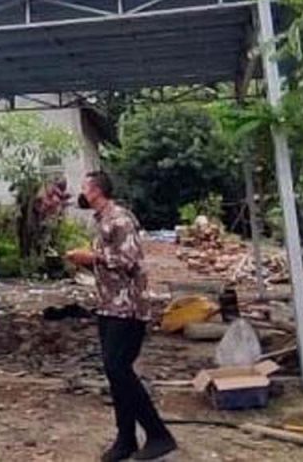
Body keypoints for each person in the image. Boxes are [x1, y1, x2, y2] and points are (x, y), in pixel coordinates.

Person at [65, 171, 176, 462]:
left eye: (84, 187)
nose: (81, 192)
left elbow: (130, 261)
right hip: (108, 306)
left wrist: (92, 258)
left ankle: (159, 435)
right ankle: (125, 438)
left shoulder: (120, 219)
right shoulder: (101, 221)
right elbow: (108, 266)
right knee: (116, 374)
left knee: (119, 370)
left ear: (97, 191)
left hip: (128, 309)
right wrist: (87, 262)